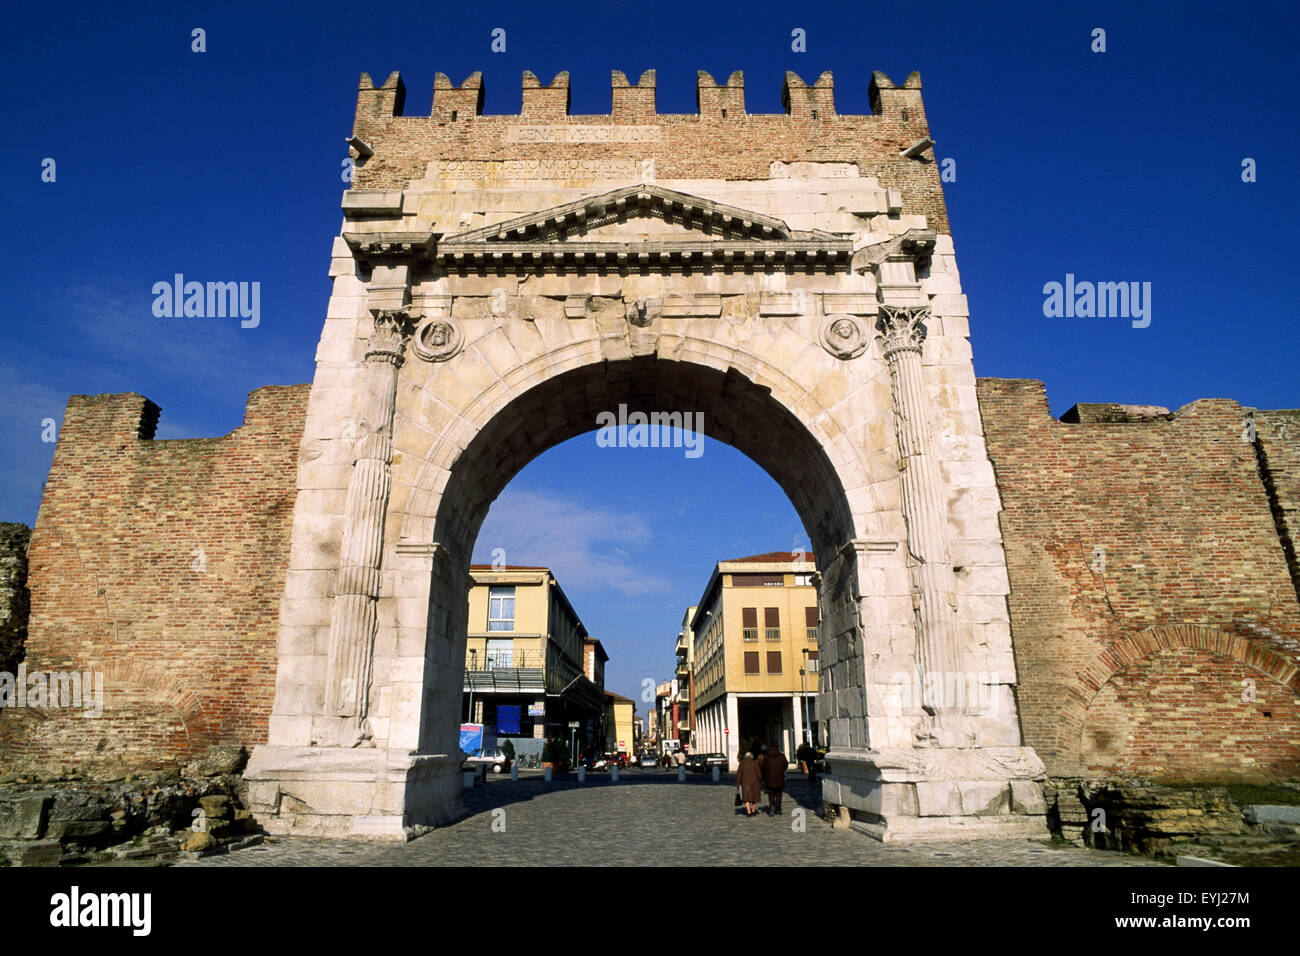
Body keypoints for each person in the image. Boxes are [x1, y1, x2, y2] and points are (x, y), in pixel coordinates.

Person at [762, 743, 786, 814]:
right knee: (779, 795)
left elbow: (763, 767)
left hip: (769, 780)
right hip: (779, 779)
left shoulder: (766, 756)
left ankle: (772, 807)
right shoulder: (781, 756)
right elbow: (786, 765)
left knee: (771, 794)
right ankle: (778, 809)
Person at [736, 751, 762, 817]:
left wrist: (738, 783)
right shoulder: (755, 763)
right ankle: (753, 810)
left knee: (746, 798)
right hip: (754, 783)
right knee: (754, 797)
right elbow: (759, 774)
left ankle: (749, 811)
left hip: (745, 783)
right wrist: (760, 779)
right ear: (751, 756)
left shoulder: (742, 763)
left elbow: (739, 774)